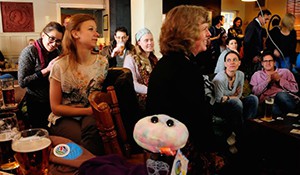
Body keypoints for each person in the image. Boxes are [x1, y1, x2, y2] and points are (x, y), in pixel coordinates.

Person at [146, 5, 223, 174]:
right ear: (188, 33)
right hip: (176, 153)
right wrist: (213, 152)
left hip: (164, 146)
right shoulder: (185, 69)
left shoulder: (168, 63)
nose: (209, 34)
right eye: (204, 29)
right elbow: (198, 120)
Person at [48, 14, 108, 155]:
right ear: (75, 34)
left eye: (96, 29)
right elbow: (55, 107)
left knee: (93, 133)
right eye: (91, 29)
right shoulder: (60, 66)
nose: (97, 34)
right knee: (80, 142)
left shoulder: (102, 62)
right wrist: (87, 111)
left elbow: (101, 95)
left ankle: (90, 166)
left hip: (91, 114)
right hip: (64, 116)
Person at [18, 21, 64, 129]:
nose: (54, 44)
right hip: (36, 103)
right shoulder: (29, 52)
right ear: (43, 35)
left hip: (53, 102)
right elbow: (22, 82)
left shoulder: (56, 52)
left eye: (58, 41)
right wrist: (46, 70)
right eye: (51, 39)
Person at [212, 50, 258, 154]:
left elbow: (239, 94)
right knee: (237, 102)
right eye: (229, 60)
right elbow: (219, 99)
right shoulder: (220, 78)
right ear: (225, 64)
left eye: (234, 60)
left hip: (235, 104)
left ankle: (245, 129)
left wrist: (228, 97)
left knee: (253, 98)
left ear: (239, 63)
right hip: (220, 107)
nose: (232, 62)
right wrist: (231, 98)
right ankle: (242, 135)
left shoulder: (240, 75)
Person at [250, 50, 299, 116]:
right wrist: (267, 82)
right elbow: (255, 92)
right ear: (262, 63)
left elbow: (295, 89)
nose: (268, 63)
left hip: (284, 98)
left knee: (280, 95)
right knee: (274, 110)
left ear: (274, 62)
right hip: (268, 100)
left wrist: (280, 80)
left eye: (270, 61)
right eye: (265, 61)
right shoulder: (257, 75)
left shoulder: (285, 72)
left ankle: (296, 115)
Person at [123, 28, 158, 115]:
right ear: (139, 42)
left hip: (153, 94)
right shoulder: (131, 58)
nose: (150, 43)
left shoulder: (153, 59)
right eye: (146, 40)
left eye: (151, 40)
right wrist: (152, 91)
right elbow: (133, 84)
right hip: (138, 99)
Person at [242, 9, 271, 79]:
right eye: (266, 19)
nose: (267, 22)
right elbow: (246, 42)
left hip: (256, 55)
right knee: (251, 77)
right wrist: (253, 55)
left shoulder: (257, 26)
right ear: (260, 16)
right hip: (251, 57)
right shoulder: (253, 26)